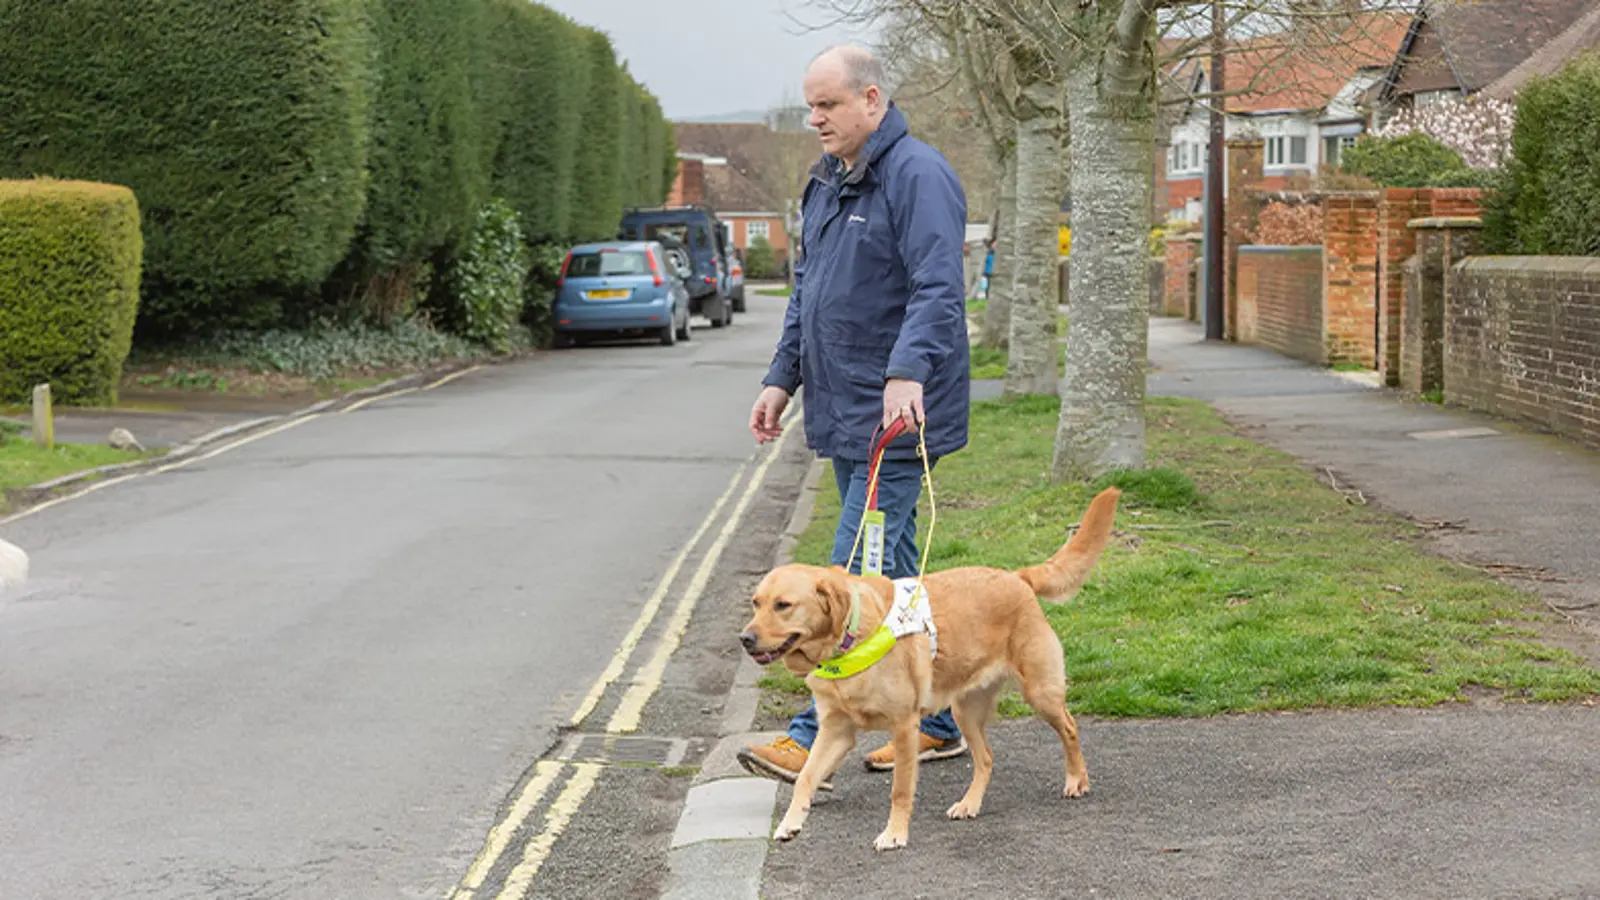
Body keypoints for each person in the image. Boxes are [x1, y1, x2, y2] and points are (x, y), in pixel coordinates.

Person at [738, 44, 971, 784]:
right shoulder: (825, 184)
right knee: (894, 577)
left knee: (848, 584)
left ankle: (813, 734)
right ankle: (934, 718)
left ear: (872, 100)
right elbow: (807, 297)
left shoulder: (917, 176)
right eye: (810, 107)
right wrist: (782, 379)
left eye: (829, 105)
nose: (816, 120)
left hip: (894, 419)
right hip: (845, 415)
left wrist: (907, 372)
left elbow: (938, 288)